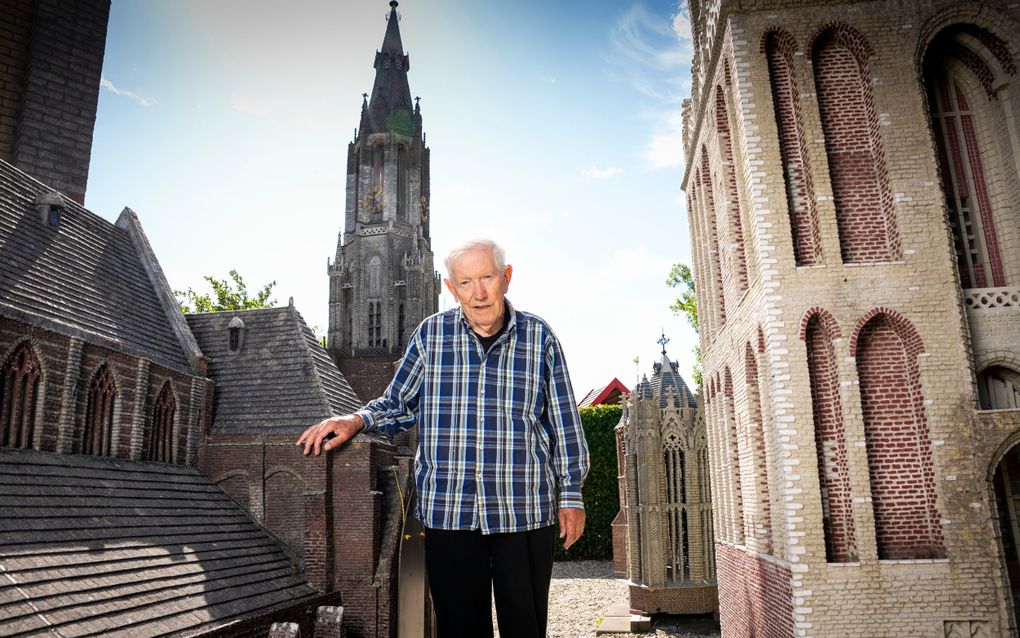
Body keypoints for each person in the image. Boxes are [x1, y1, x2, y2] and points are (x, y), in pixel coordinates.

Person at [297, 238, 589, 638]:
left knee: (526, 628)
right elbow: (397, 403)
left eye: (487, 277)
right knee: (460, 630)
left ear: (506, 277)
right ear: (452, 288)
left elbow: (564, 423)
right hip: (450, 513)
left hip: (523, 511)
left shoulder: (540, 338)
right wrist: (356, 420)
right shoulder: (430, 336)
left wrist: (571, 494)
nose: (479, 292)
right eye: (466, 282)